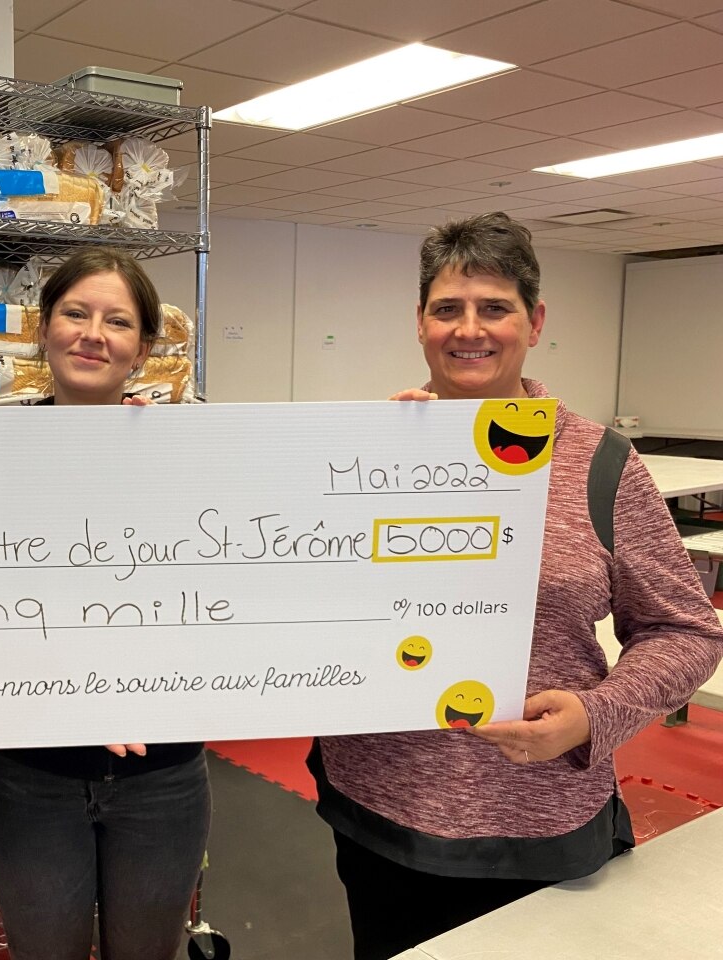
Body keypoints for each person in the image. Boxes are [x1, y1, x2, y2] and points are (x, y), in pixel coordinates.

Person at [308, 211, 723, 960]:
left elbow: (686, 630)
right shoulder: (361, 455)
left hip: (540, 818)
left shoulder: (601, 464)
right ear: (420, 322)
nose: (470, 329)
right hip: (379, 807)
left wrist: (595, 715)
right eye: (448, 308)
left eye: (494, 307)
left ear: (533, 321)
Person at [0, 248, 212, 960]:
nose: (93, 333)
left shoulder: (194, 454)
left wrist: (414, 428)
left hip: (163, 779)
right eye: (76, 313)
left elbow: (232, 588)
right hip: (30, 776)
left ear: (141, 348)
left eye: (117, 321)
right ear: (45, 328)